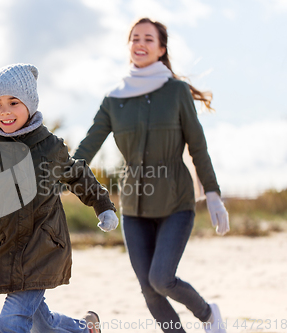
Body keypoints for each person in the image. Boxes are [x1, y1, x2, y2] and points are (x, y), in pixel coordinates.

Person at [0, 63, 118, 333]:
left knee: (12, 321)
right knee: (43, 325)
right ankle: (86, 329)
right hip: (4, 249)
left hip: (44, 248)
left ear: (30, 104)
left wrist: (103, 206)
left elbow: (78, 175)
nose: (5, 111)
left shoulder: (50, 147)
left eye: (14, 102)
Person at [73, 18, 230, 333]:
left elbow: (197, 146)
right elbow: (86, 148)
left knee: (161, 279)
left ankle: (208, 314)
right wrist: (59, 174)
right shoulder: (114, 99)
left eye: (148, 39)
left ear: (161, 49)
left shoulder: (176, 92)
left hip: (176, 202)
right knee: (148, 288)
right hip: (134, 208)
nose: (140, 44)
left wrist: (213, 193)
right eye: (134, 38)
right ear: (128, 46)